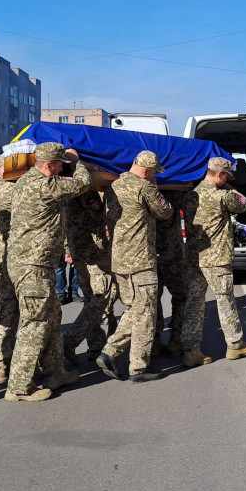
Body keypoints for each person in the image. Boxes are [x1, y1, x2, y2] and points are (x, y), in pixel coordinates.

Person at [2, 142, 91, 402]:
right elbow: (82, 183)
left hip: (31, 264)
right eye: (60, 164)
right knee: (36, 324)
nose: (63, 167)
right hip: (32, 267)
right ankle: (19, 387)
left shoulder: (24, 182)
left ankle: (54, 372)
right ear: (50, 165)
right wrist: (77, 162)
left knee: (52, 317)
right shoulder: (46, 185)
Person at [96, 150, 173, 383]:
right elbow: (166, 212)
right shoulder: (145, 188)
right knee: (146, 312)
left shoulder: (114, 187)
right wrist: (155, 188)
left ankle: (110, 353)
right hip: (140, 260)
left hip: (119, 260)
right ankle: (138, 367)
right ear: (148, 171)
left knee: (136, 309)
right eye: (152, 174)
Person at [181, 157, 246, 366]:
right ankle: (235, 345)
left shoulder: (190, 195)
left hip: (194, 259)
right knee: (225, 302)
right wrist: (232, 187)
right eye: (227, 175)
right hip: (216, 260)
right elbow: (244, 204)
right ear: (221, 174)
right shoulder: (222, 196)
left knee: (194, 305)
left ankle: (191, 350)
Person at [62, 187, 115, 363]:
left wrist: (68, 249)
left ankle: (96, 345)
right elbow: (98, 213)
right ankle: (69, 341)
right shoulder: (85, 191)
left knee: (91, 299)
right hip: (94, 253)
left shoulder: (64, 191)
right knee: (99, 298)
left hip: (79, 252)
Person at [0, 154, 19, 384]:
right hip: (15, 259)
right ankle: (12, 364)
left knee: (6, 312)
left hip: (3, 260)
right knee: (19, 313)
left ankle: (2, 363)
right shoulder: (7, 190)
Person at [155, 189, 188, 353]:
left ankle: (155, 340)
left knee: (153, 298)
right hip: (172, 254)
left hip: (151, 255)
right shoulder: (175, 194)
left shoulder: (145, 193)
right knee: (181, 296)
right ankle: (176, 338)